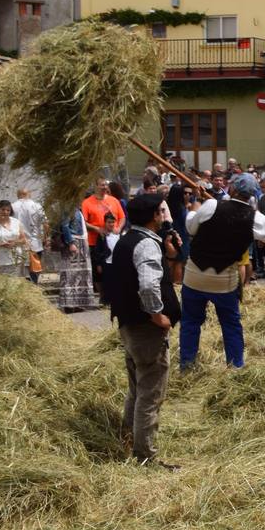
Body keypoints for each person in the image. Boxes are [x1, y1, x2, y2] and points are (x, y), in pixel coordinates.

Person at [179, 177, 265, 372]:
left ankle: (187, 365)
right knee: (230, 325)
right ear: (253, 195)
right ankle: (235, 367)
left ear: (231, 188)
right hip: (224, 281)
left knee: (190, 322)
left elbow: (190, 227)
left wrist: (195, 208)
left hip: (194, 275)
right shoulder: (255, 218)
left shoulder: (211, 205)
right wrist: (262, 237)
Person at [106, 194, 181, 470]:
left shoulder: (127, 240)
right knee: (150, 393)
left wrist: (170, 251)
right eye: (161, 211)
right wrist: (157, 315)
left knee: (137, 389)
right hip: (144, 329)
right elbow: (149, 285)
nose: (165, 215)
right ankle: (145, 456)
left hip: (128, 324)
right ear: (153, 216)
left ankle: (128, 440)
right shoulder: (146, 245)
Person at [56, 205, 98, 312]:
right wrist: (71, 242)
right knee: (71, 273)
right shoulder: (68, 209)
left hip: (82, 242)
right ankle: (69, 304)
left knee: (81, 273)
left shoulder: (78, 210)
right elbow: (65, 226)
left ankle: (79, 303)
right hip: (75, 242)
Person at [10, 188, 47, 284]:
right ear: (29, 194)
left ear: (18, 195)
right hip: (35, 243)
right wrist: (45, 238)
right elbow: (45, 223)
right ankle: (34, 287)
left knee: (20, 269)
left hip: (18, 242)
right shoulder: (36, 206)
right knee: (34, 268)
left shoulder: (12, 207)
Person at [0, 200, 28, 276]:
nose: (5, 212)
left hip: (16, 259)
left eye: (8, 210)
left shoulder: (16, 222)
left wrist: (15, 243)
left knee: (15, 284)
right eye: (3, 209)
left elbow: (23, 240)